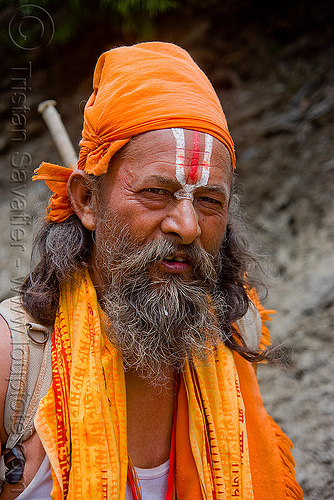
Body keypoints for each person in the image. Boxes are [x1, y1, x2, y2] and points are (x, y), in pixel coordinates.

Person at [0, 42, 303, 499]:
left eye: (208, 201)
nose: (186, 226)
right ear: (87, 201)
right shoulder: (12, 361)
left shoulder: (236, 331)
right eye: (156, 192)